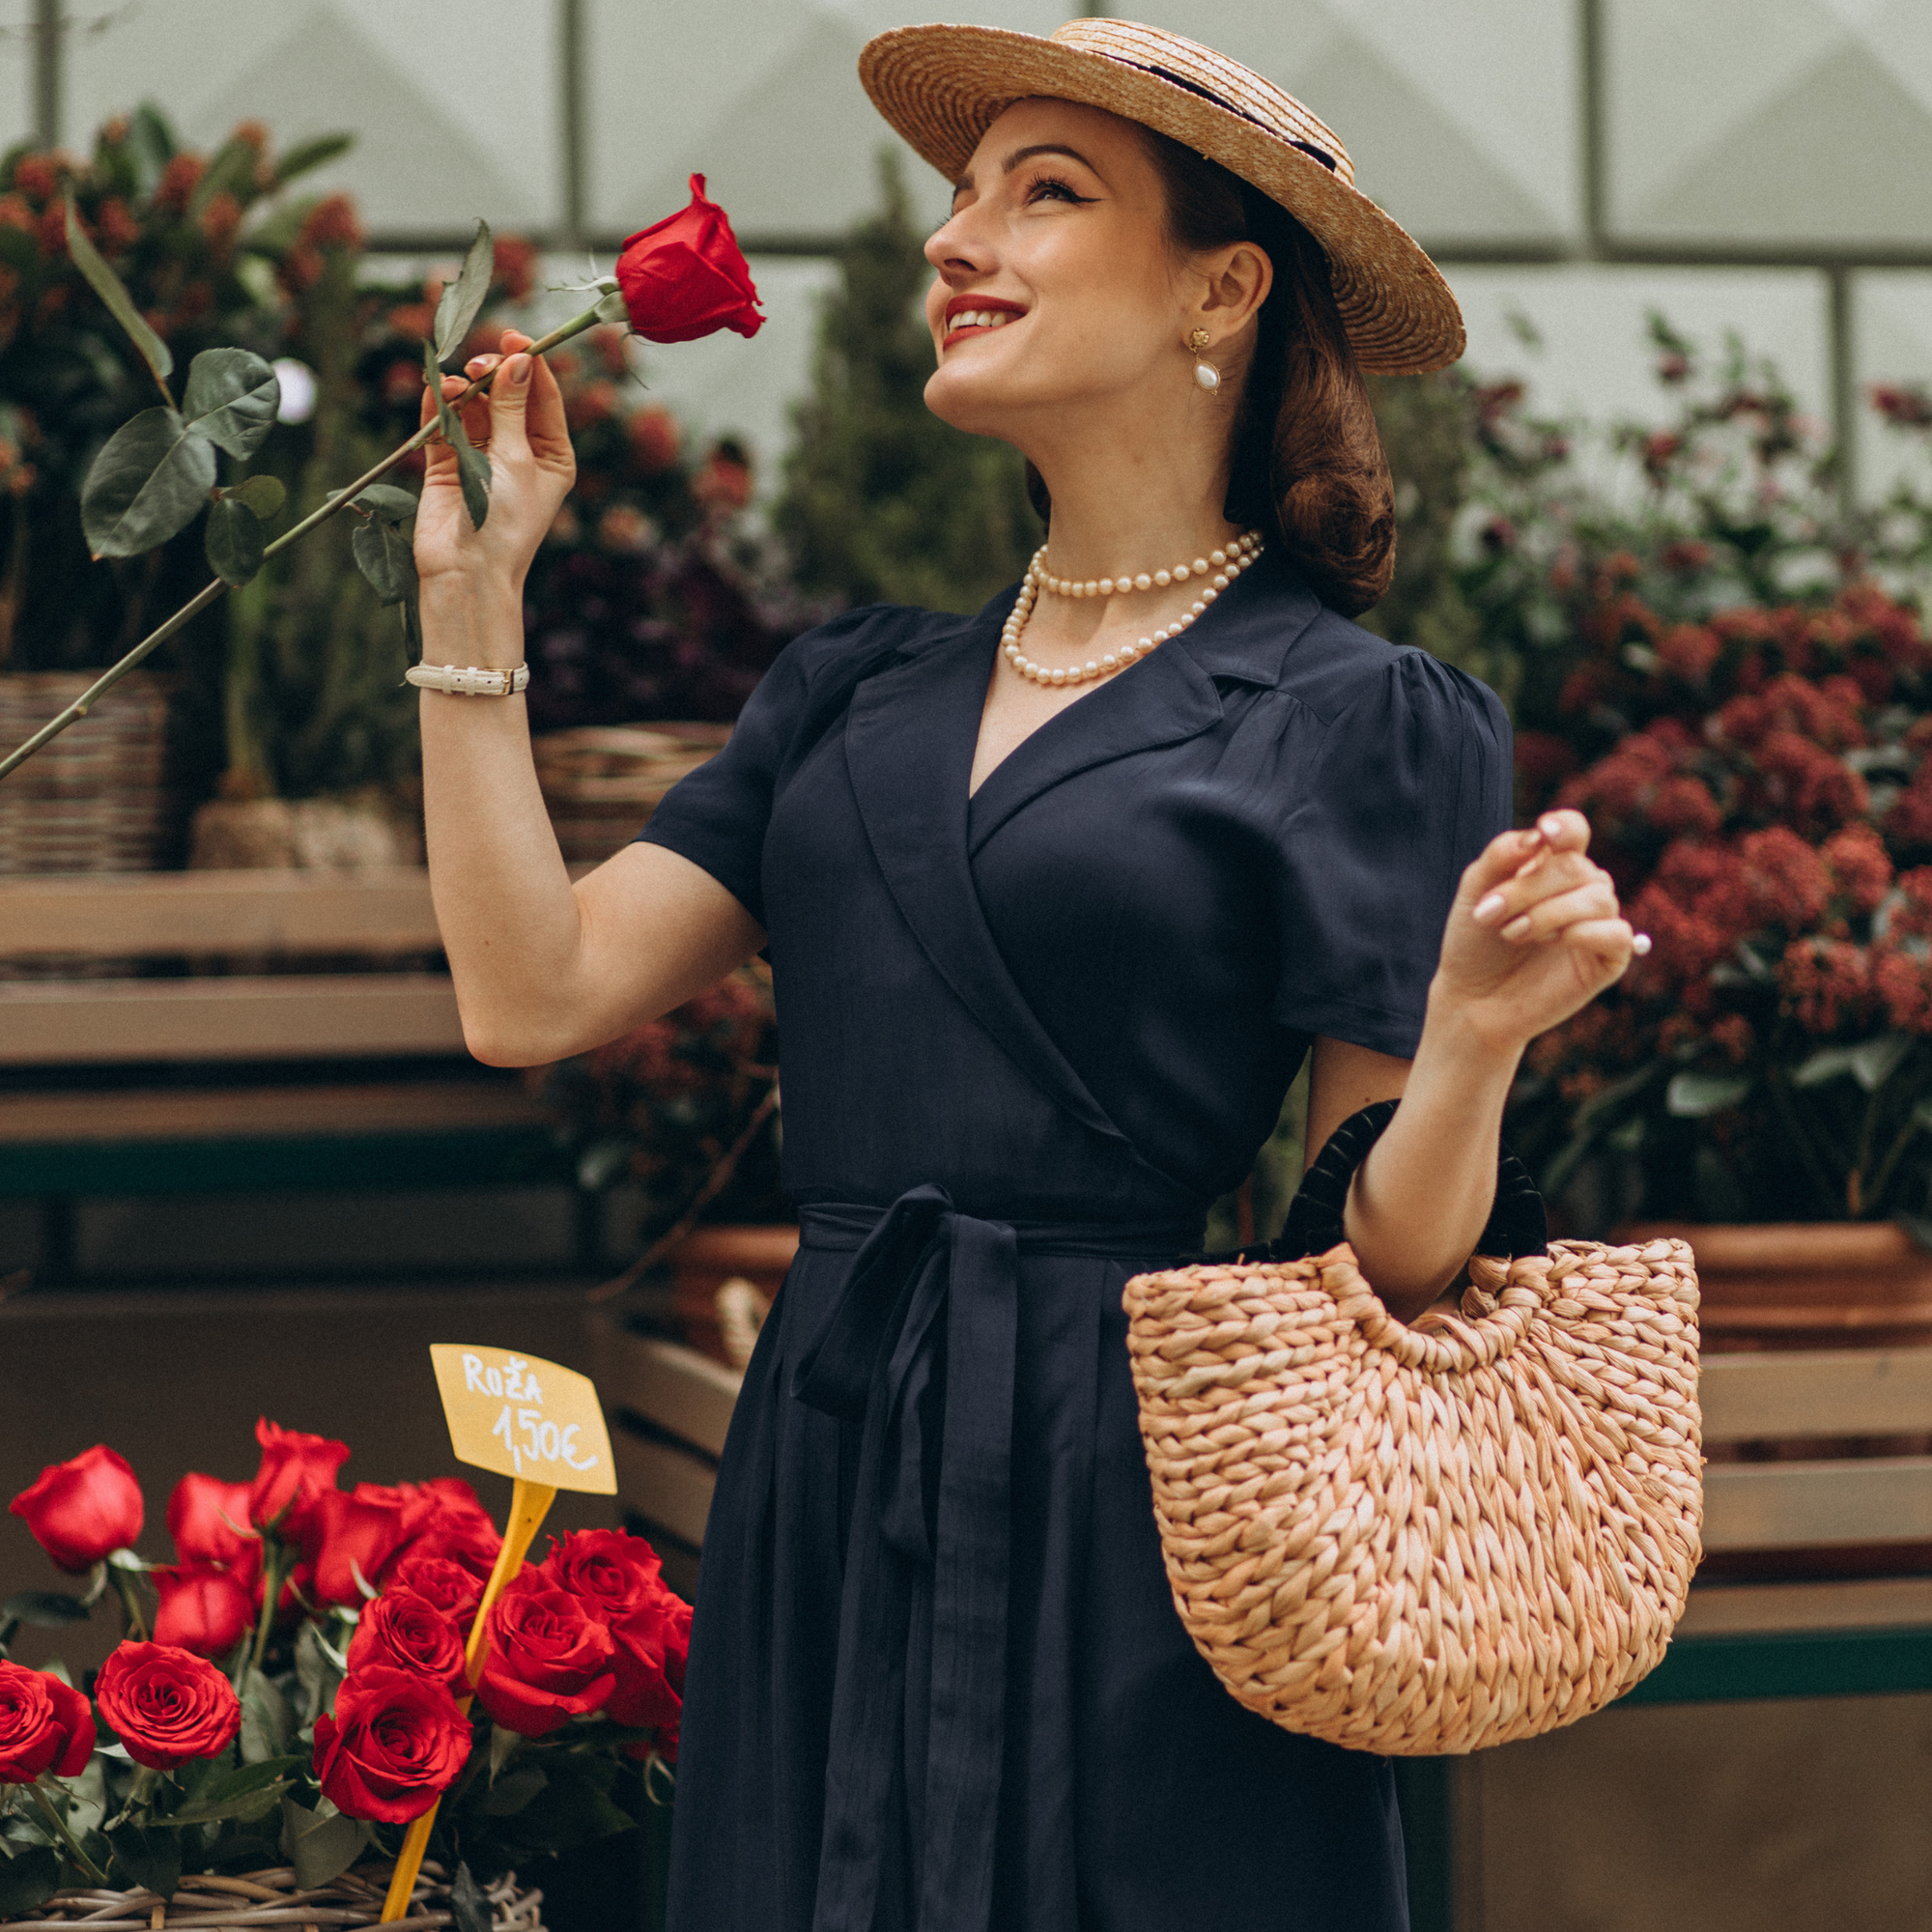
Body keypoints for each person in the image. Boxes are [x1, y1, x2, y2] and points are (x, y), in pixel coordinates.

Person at [410, 19, 1637, 1930]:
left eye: (1043, 193)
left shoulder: (1363, 718)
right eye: (958, 195)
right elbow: (532, 991)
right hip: (833, 1446)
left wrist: (1470, 1043)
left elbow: (1384, 1268)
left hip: (1141, 1499)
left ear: (1218, 288)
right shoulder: (846, 686)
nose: (951, 240)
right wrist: (471, 614)